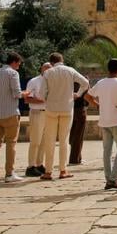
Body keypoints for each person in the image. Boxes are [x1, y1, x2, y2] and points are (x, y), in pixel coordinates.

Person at [39, 53, 89, 181]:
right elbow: (85, 83)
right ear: (62, 60)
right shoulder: (70, 70)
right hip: (67, 108)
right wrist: (77, 94)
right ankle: (63, 170)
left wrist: (48, 99)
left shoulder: (48, 73)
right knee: (64, 140)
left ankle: (48, 171)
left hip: (51, 109)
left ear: (51, 62)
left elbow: (41, 93)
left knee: (50, 139)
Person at [85, 59, 117, 190]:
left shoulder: (101, 83)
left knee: (107, 151)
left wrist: (98, 105)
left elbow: (87, 97)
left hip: (104, 121)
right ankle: (113, 178)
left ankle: (108, 179)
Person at [0, 52, 24, 183]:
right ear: (14, 62)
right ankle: (9, 173)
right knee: (11, 143)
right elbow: (17, 93)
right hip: (10, 113)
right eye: (18, 63)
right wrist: (27, 93)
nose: (19, 66)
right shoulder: (13, 73)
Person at [22, 62, 51, 177]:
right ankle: (31, 165)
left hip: (48, 113)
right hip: (37, 112)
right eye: (46, 68)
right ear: (42, 69)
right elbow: (27, 99)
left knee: (44, 141)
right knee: (35, 140)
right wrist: (43, 101)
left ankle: (39, 163)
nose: (48, 70)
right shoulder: (34, 81)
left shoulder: (51, 81)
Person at [68, 82, 88, 166]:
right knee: (78, 136)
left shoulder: (71, 86)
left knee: (73, 135)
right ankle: (75, 159)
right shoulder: (83, 88)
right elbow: (87, 100)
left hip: (71, 111)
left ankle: (78, 157)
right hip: (80, 111)